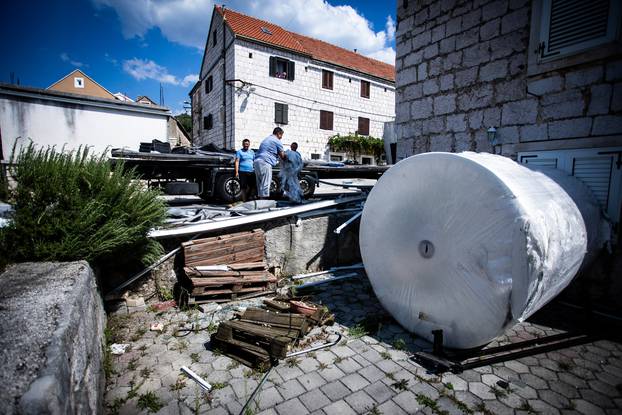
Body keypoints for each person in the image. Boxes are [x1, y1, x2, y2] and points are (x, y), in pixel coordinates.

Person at [254, 127, 287, 199]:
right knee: (266, 183)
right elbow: (282, 156)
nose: (281, 138)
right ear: (278, 134)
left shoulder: (266, 139)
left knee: (260, 184)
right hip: (265, 162)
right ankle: (264, 203)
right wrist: (288, 157)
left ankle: (260, 201)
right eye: (281, 135)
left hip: (257, 162)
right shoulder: (277, 141)